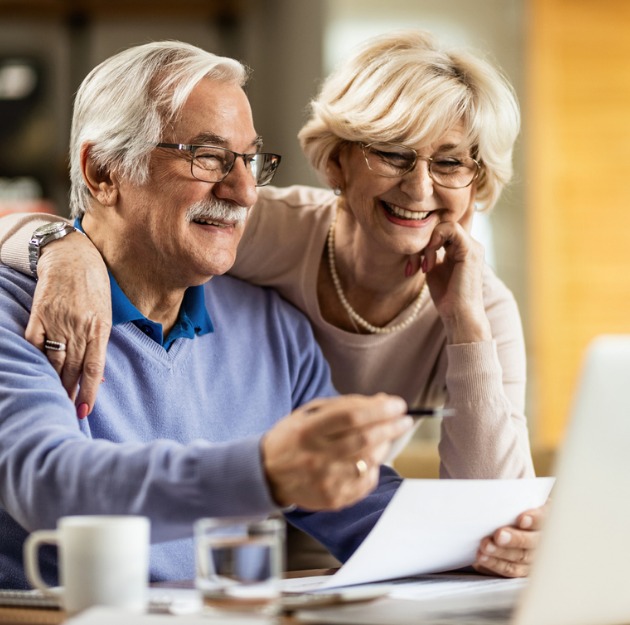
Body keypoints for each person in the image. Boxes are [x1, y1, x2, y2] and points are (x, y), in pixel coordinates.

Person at [0, 31, 543, 579]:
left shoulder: (274, 326)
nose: (244, 191)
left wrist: (499, 543)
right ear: (103, 173)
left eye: (251, 161)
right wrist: (263, 471)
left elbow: (371, 511)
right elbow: (48, 482)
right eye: (209, 158)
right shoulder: (19, 306)